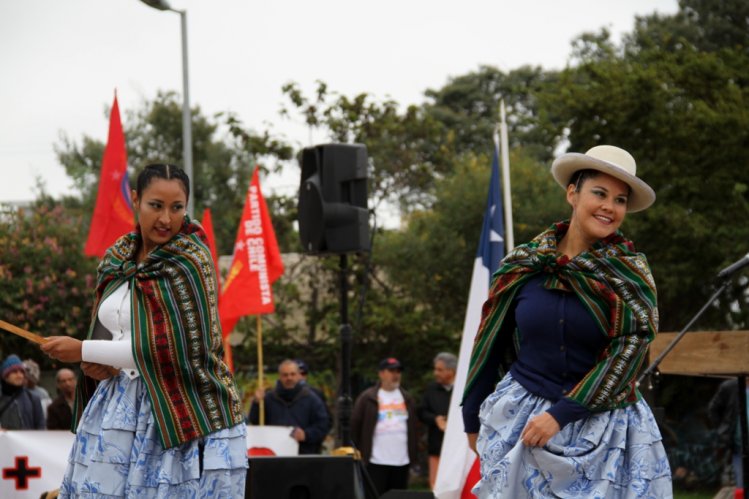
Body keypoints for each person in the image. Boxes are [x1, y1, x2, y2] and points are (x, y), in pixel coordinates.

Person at [462, 145, 673, 497]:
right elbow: (491, 338)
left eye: (620, 200)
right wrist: (472, 416)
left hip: (607, 427)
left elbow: (630, 349)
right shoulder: (525, 264)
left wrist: (561, 414)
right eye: (600, 193)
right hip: (520, 421)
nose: (610, 207)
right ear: (572, 193)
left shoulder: (629, 274)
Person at [40, 163, 247, 497]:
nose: (166, 218)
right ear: (136, 199)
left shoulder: (190, 261)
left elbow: (165, 349)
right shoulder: (117, 256)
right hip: (118, 406)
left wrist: (82, 350)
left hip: (185, 409)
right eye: (156, 205)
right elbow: (108, 331)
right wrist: (99, 364)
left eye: (177, 207)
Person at [351, 357, 418, 496]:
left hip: (402, 461)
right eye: (391, 370)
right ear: (381, 373)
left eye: (398, 371)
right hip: (375, 461)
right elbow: (355, 427)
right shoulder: (368, 398)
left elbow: (413, 428)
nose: (396, 374)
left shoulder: (407, 398)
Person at [248, 359, 331, 454]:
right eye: (285, 375)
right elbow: (255, 422)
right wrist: (256, 403)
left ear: (298, 375)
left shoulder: (311, 399)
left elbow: (323, 425)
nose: (289, 378)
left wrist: (306, 435)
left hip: (304, 456)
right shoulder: (268, 398)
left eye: (293, 374)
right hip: (275, 456)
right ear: (280, 376)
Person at [418, 352, 457, 490]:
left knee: (455, 485)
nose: (435, 373)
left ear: (450, 371)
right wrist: (436, 419)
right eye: (435, 369)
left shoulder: (462, 389)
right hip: (436, 446)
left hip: (457, 448)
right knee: (436, 486)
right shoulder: (431, 389)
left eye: (439, 370)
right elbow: (422, 412)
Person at [708, 377, 749, 488]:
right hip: (738, 446)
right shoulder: (730, 387)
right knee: (740, 484)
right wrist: (722, 429)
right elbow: (713, 409)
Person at [0, 354, 45, 429]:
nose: (19, 375)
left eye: (21, 372)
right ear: (5, 376)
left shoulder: (33, 399)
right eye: (14, 372)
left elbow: (41, 427)